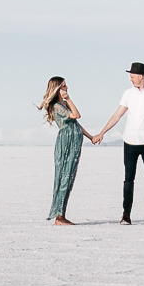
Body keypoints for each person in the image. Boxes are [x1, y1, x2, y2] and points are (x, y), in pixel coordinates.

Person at [91, 61, 144, 224]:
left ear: (141, 76)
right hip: (130, 143)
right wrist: (102, 133)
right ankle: (126, 215)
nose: (130, 79)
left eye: (132, 76)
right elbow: (117, 115)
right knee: (128, 179)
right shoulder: (128, 93)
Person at [37, 76, 92, 225]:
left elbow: (76, 123)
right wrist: (69, 99)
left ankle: (62, 214)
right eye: (63, 86)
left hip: (74, 141)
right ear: (56, 89)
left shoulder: (62, 104)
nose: (66, 88)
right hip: (66, 142)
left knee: (70, 177)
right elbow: (76, 115)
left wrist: (90, 137)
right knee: (64, 177)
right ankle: (59, 216)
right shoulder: (56, 105)